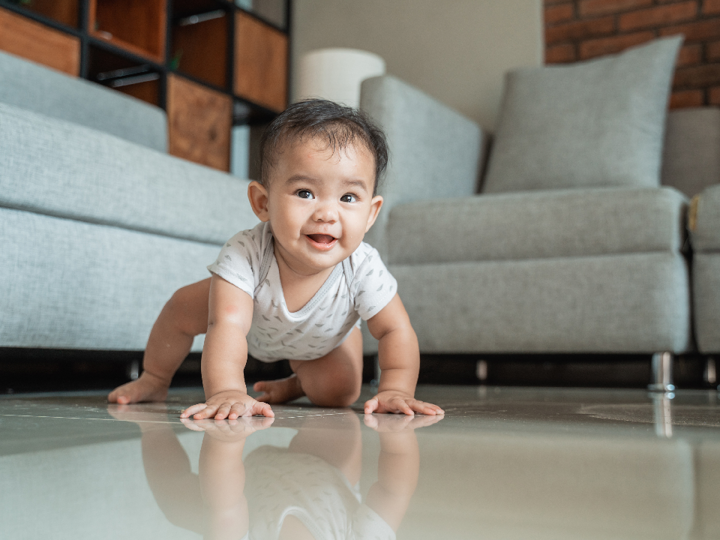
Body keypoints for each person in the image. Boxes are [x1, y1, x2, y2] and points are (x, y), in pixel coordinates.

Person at [108, 99, 444, 420]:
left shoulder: (364, 266)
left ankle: (296, 384)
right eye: (305, 193)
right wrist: (226, 391)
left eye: (348, 197)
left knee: (339, 393)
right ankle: (154, 378)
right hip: (249, 322)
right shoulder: (247, 252)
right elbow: (227, 325)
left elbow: (395, 330)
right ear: (262, 202)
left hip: (323, 339)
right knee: (182, 308)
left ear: (371, 214)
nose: (327, 213)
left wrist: (396, 389)